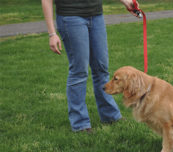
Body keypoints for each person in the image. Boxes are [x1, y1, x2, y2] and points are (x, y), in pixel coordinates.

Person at [41, 0, 140, 132]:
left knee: (101, 69)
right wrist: (52, 34)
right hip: (70, 17)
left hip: (96, 16)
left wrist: (125, 1)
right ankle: (80, 124)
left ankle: (110, 116)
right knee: (79, 71)